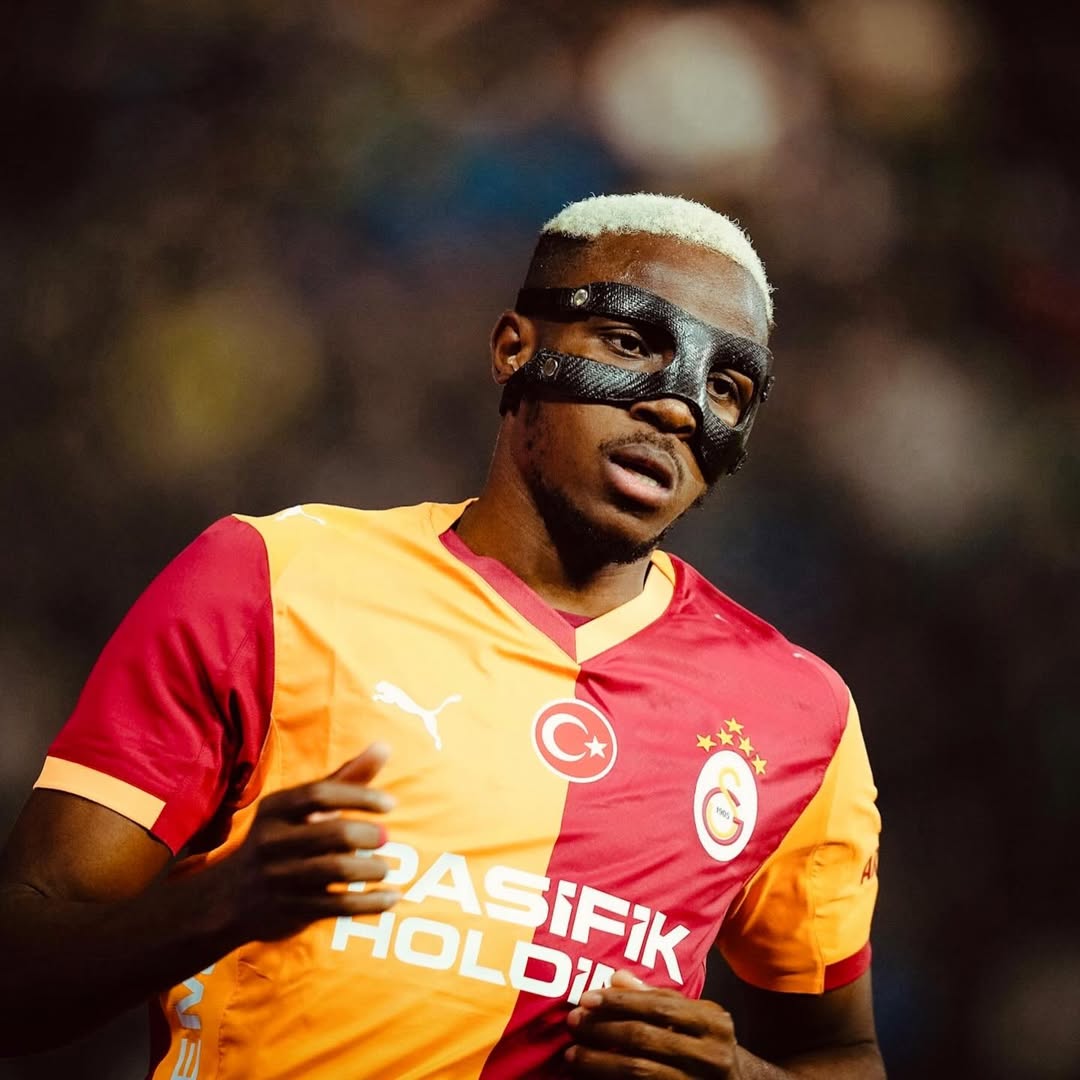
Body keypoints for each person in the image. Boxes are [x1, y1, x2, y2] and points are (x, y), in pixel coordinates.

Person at [0, 193, 884, 1078]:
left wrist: (739, 1079)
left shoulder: (799, 714)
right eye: (628, 343)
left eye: (726, 386)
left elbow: (839, 1053)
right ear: (513, 349)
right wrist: (222, 904)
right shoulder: (268, 580)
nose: (679, 407)